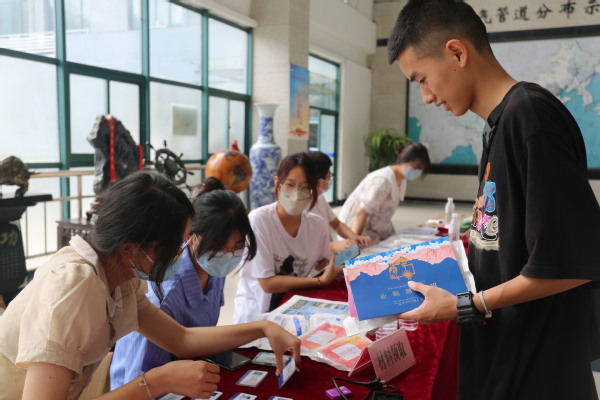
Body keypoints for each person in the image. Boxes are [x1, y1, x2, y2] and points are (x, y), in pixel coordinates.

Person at [387, 1, 600, 399]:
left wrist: (468, 304)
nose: (426, 96)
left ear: (457, 52)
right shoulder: (499, 124)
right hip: (504, 349)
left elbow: (573, 263)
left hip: (536, 365)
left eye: (422, 79)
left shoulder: (530, 117)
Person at [0, 171, 300, 400]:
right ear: (131, 249)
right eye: (176, 244)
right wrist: (156, 382)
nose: (181, 253)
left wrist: (263, 328)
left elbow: (180, 338)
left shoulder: (121, 275)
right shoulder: (73, 288)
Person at [110, 177, 257, 389]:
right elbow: (139, 381)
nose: (228, 254)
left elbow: (194, 339)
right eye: (218, 245)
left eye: (238, 246)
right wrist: (261, 329)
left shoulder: (213, 270)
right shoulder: (163, 296)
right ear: (191, 236)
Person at [233, 153, 343, 323]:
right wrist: (320, 281)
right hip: (256, 315)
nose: (296, 193)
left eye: (305, 187)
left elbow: (321, 262)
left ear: (313, 189)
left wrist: (335, 267)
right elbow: (268, 283)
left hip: (293, 310)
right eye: (290, 185)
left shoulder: (318, 225)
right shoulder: (260, 219)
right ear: (277, 183)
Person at [337, 142, 430, 242]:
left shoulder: (401, 180)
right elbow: (361, 213)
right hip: (355, 229)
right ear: (404, 161)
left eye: (421, 169)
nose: (417, 171)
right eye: (415, 167)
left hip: (375, 227)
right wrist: (354, 243)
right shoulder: (382, 180)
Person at [305, 151, 373, 252]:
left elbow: (336, 224)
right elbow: (303, 244)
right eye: (329, 176)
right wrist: (332, 246)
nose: (330, 179)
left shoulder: (320, 197)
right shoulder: (301, 206)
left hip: (328, 256)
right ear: (319, 181)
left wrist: (354, 237)